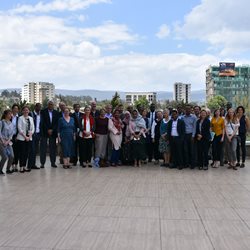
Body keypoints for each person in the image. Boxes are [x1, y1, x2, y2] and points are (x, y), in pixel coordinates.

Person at [40, 100, 59, 168]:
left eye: (52, 104)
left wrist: (52, 130)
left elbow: (56, 123)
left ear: (53, 105)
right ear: (47, 105)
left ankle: (53, 163)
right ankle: (42, 163)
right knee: (43, 148)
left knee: (53, 148)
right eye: (49, 104)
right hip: (45, 132)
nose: (50, 105)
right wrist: (47, 129)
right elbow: (42, 122)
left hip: (53, 133)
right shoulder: (43, 111)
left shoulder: (56, 113)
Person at [17, 106, 35, 173]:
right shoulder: (20, 118)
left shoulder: (31, 118)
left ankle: (24, 166)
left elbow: (33, 128)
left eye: (27, 110)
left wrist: (29, 136)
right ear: (22, 111)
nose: (26, 111)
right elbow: (19, 129)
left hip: (29, 138)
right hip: (22, 138)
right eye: (24, 110)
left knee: (27, 153)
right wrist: (25, 137)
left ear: (29, 111)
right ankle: (21, 167)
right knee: (22, 153)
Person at [0, 110, 15, 175]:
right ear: (5, 115)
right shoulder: (1, 122)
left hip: (8, 142)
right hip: (1, 142)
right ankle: (0, 169)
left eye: (11, 114)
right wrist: (3, 141)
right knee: (4, 157)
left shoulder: (11, 124)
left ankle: (8, 169)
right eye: (9, 114)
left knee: (11, 156)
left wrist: (8, 141)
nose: (11, 115)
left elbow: (11, 134)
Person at [28, 103, 42, 170]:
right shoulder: (31, 114)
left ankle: (33, 164)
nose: (39, 108)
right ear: (35, 107)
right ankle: (30, 165)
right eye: (38, 107)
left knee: (35, 150)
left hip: (38, 134)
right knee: (32, 150)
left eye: (40, 107)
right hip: (32, 134)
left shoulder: (40, 115)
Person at [11, 103, 20, 172]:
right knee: (11, 152)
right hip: (10, 137)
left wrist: (18, 136)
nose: (15, 110)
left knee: (16, 151)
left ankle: (16, 165)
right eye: (14, 108)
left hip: (17, 136)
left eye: (17, 109)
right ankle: (12, 165)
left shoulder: (19, 117)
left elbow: (20, 127)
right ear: (12, 109)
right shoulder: (9, 116)